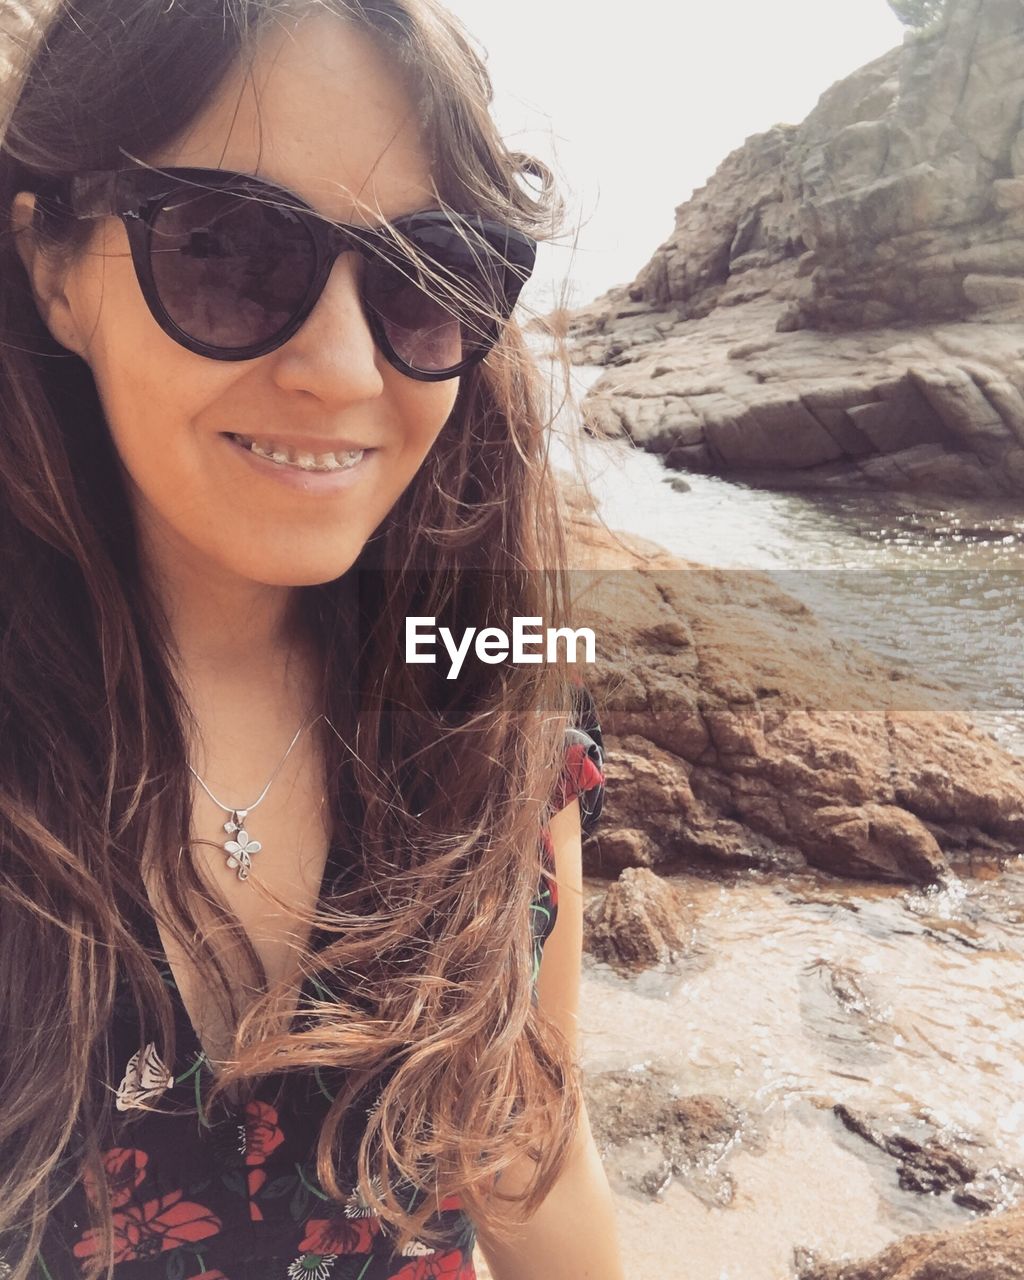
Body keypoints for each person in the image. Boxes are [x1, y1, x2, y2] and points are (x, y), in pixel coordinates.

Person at [0, 0, 626, 1278]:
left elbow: (530, 1163)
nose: (343, 371)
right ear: (52, 269)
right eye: (228, 248)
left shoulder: (493, 721)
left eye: (426, 277)